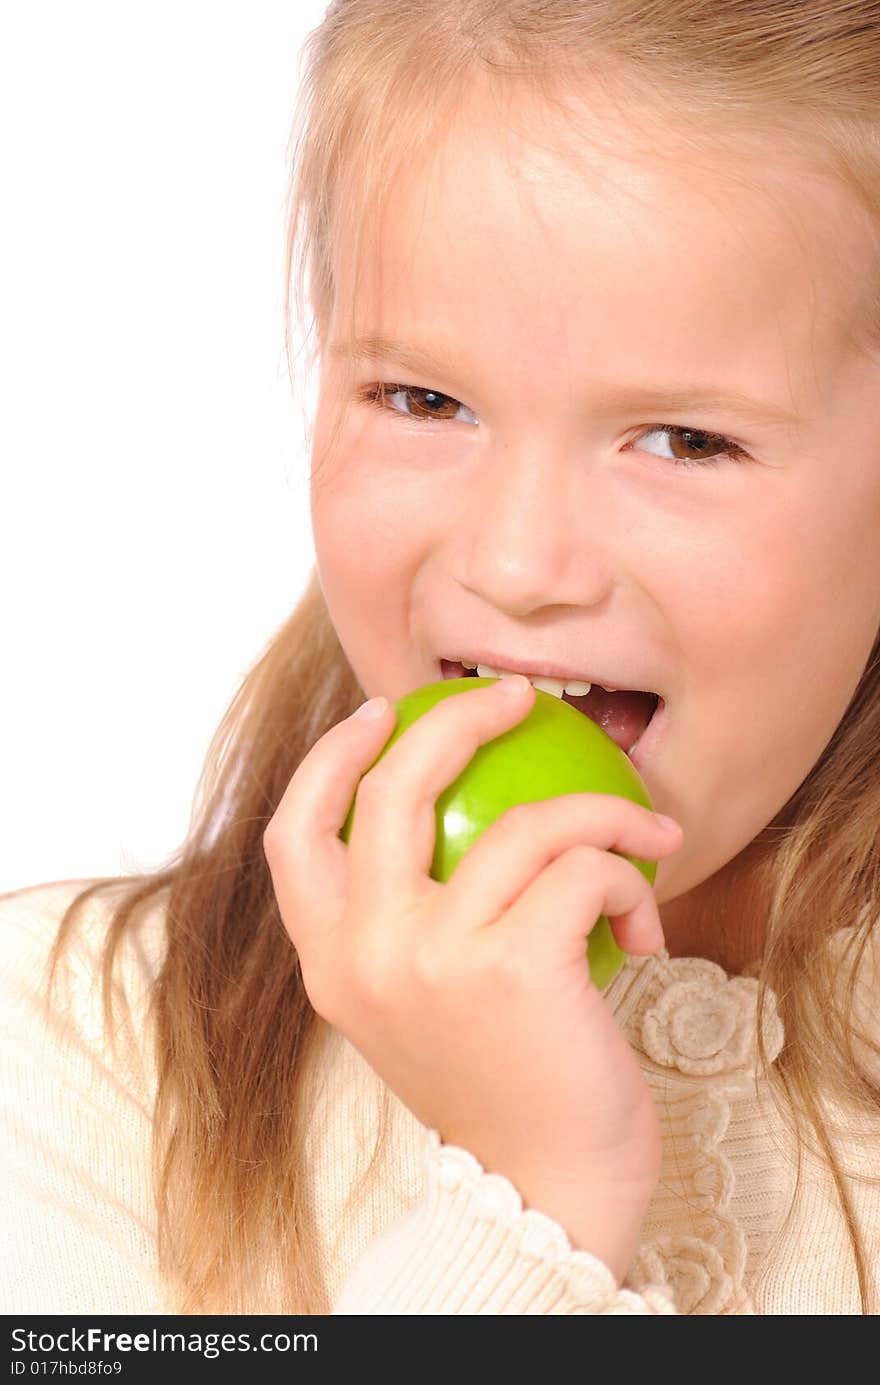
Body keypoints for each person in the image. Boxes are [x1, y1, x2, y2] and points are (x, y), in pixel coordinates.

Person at [3, 0, 880, 1317]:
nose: (520, 566)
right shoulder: (79, 1051)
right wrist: (531, 1197)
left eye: (685, 440)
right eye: (424, 400)